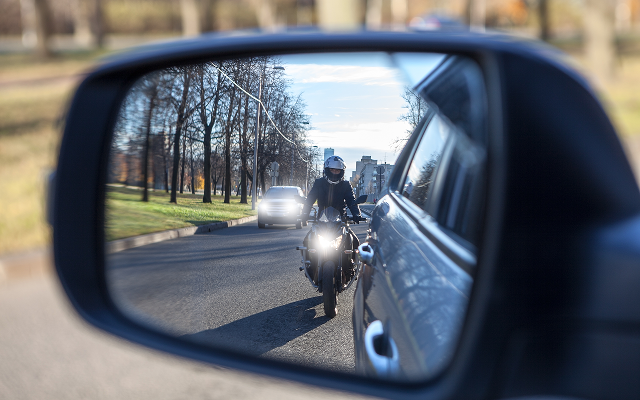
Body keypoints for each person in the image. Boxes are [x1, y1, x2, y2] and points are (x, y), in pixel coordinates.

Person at [301, 156, 365, 276]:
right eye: (332, 170)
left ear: (342, 172)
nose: (335, 172)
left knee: (354, 241)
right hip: (322, 219)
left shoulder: (346, 185)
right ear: (326, 170)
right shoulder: (319, 183)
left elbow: (351, 200)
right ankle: (309, 266)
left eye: (337, 171)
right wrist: (304, 213)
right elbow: (310, 199)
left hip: (340, 220)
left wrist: (356, 214)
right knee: (307, 241)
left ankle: (351, 267)